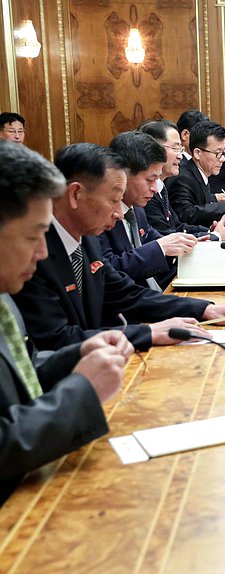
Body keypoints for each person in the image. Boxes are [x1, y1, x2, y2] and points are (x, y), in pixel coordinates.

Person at [12, 143, 225, 352]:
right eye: (113, 200)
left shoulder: (84, 237)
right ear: (76, 194)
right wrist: (146, 333)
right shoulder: (33, 253)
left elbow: (124, 292)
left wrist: (205, 309)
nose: (119, 214)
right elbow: (56, 340)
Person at [0, 141, 132, 505]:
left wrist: (77, 354)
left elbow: (23, 373)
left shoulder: (4, 296)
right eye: (32, 236)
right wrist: (81, 391)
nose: (43, 252)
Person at [99, 131, 198, 289]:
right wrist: (161, 248)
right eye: (150, 179)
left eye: (157, 179)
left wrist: (189, 244)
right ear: (123, 176)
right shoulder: (100, 215)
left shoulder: (136, 208)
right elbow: (108, 272)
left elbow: (156, 239)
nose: (154, 188)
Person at [138, 119, 225, 240]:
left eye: (180, 149)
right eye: (175, 148)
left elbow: (177, 226)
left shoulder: (161, 187)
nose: (180, 156)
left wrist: (210, 231)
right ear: (153, 150)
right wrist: (215, 236)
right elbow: (166, 237)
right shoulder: (148, 191)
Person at [166, 120, 225, 227]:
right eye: (217, 153)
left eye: (224, 153)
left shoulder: (199, 173)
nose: (222, 159)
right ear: (197, 153)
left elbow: (201, 203)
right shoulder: (182, 178)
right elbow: (187, 214)